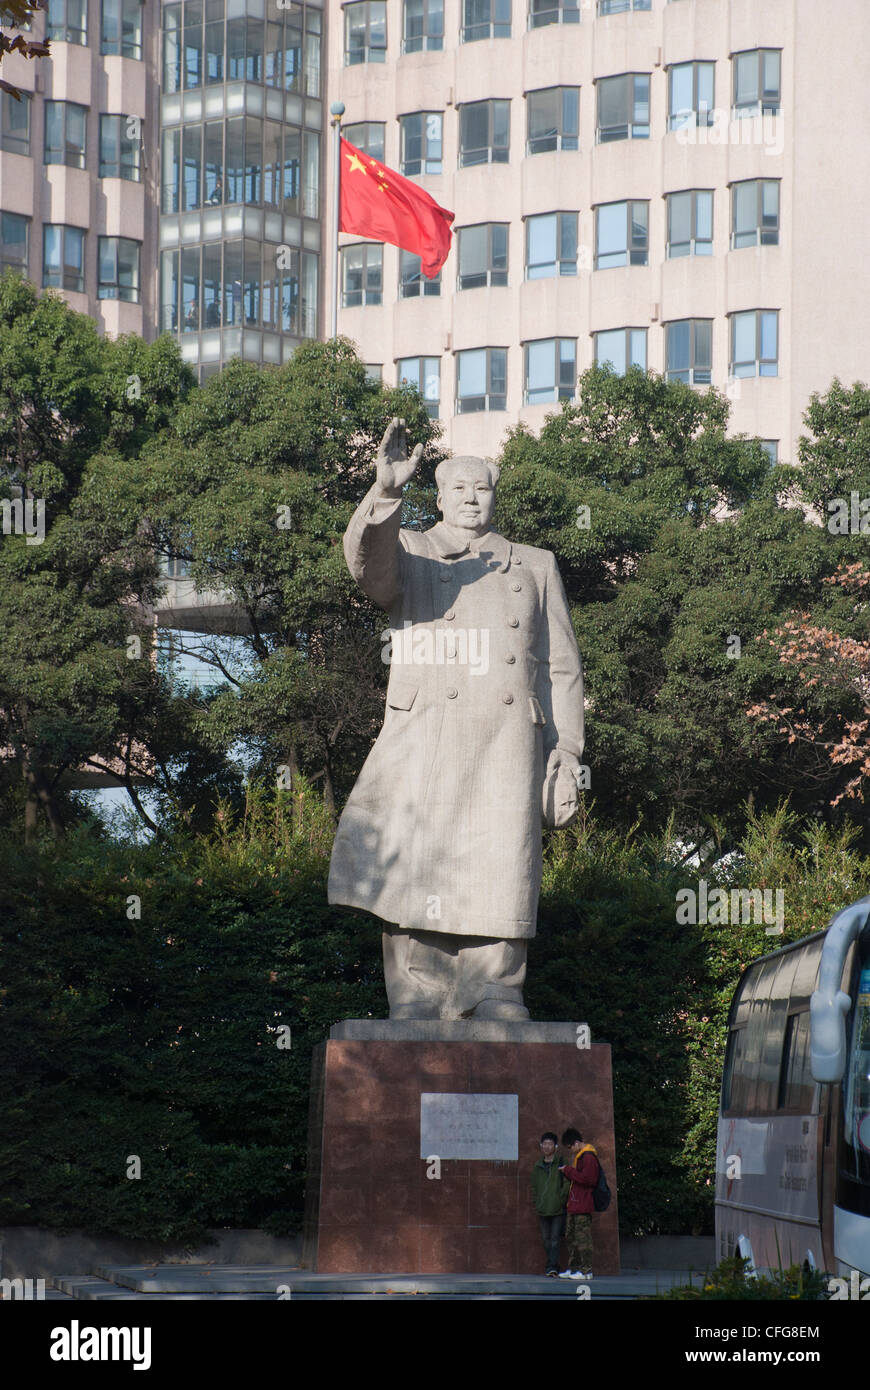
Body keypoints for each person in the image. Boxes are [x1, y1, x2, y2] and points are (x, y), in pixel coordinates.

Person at [328, 418, 586, 1019]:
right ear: (439, 497)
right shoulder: (412, 550)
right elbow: (369, 570)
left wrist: (566, 751)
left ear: (496, 497)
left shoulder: (535, 563)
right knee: (420, 856)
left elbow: (561, 667)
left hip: (508, 740)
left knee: (502, 858)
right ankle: (418, 991)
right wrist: (385, 491)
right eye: (460, 489)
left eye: (483, 488)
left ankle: (496, 988)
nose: (472, 499)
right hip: (427, 736)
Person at [558, 1126, 599, 1280]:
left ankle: (586, 1271)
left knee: (583, 1239)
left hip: (582, 1204)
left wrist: (568, 1171)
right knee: (571, 1237)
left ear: (576, 1143)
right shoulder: (580, 1157)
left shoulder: (588, 1157)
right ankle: (574, 1268)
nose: (571, 1151)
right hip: (575, 1204)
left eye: (570, 1147)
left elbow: (589, 1179)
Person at [531, 1132, 569, 1277]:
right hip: (542, 1208)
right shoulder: (538, 1166)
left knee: (554, 1239)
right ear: (541, 1146)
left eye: (550, 1144)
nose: (547, 1147)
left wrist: (561, 1199)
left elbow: (566, 1182)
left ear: (555, 1146)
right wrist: (537, 1201)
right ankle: (553, 1265)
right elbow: (534, 1186)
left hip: (557, 1208)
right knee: (546, 1239)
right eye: (544, 1144)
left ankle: (551, 1267)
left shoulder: (561, 1162)